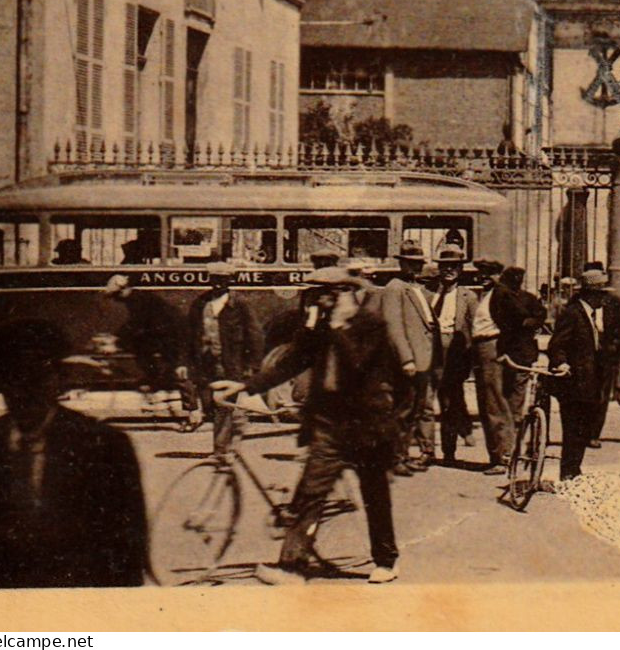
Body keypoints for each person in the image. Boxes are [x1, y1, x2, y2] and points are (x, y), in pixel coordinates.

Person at [215, 267, 405, 584]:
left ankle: (387, 561)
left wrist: (339, 325)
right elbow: (291, 361)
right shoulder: (319, 326)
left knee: (375, 496)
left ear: (339, 294)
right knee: (310, 492)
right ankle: (291, 566)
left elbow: (357, 365)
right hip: (329, 424)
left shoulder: (369, 326)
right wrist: (246, 387)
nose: (312, 301)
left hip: (367, 425)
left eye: (319, 294)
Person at [0, 319, 148, 588]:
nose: (25, 389)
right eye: (14, 376)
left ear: (59, 379)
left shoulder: (104, 445)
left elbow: (126, 553)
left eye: (37, 375)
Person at [105, 273, 201, 429]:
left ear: (122, 291)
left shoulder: (138, 300)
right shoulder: (138, 298)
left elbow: (135, 323)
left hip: (176, 337)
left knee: (181, 374)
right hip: (167, 337)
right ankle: (154, 384)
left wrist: (115, 339)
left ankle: (194, 415)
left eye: (116, 296)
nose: (116, 300)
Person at [186, 262, 260, 456]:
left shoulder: (239, 304)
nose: (218, 284)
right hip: (205, 362)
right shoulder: (200, 303)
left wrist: (253, 364)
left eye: (222, 280)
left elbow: (254, 334)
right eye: (214, 279)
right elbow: (189, 333)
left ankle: (220, 450)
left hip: (230, 362)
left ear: (229, 281)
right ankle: (236, 430)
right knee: (209, 404)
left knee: (223, 406)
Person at [380, 240, 437, 474]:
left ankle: (407, 454)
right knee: (403, 410)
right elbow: (394, 327)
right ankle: (396, 458)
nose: (415, 267)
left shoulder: (418, 289)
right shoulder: (395, 288)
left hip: (425, 359)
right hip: (410, 361)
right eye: (410, 263)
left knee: (416, 409)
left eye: (418, 263)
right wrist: (406, 359)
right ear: (401, 264)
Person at [432, 244, 486, 467]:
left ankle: (449, 451)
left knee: (450, 401)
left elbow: (475, 328)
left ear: (460, 270)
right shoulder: (428, 293)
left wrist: (472, 358)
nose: (449, 271)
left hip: (455, 355)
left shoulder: (469, 297)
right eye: (445, 266)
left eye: (453, 267)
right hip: (431, 352)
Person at [547, 275, 603, 480]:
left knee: (582, 429)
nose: (602, 299)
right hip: (573, 383)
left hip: (588, 382)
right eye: (600, 294)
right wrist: (561, 363)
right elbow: (557, 344)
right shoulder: (572, 314)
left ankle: (574, 469)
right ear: (590, 294)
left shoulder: (590, 314)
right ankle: (568, 473)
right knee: (572, 430)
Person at [490, 264, 548, 436]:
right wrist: (526, 320)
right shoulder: (502, 295)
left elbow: (540, 314)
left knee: (516, 390)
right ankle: (510, 428)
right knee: (508, 391)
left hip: (521, 350)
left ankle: (513, 429)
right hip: (508, 349)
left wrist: (529, 322)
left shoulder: (523, 297)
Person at [582, 272, 620, 447]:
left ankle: (594, 433)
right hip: (585, 355)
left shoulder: (613, 302)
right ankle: (582, 432)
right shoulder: (578, 304)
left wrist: (614, 345)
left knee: (601, 396)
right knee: (585, 394)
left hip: (606, 355)